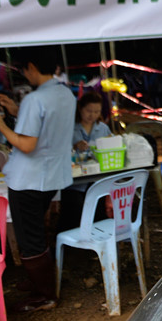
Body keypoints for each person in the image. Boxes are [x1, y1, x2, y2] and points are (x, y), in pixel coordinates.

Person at [0, 46, 76, 312]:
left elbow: (26, 144)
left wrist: (0, 123)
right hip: (51, 177)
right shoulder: (65, 94)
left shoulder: (35, 99)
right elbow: (45, 125)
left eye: (24, 69)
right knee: (36, 230)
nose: (25, 74)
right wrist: (16, 110)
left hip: (28, 179)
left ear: (32, 67)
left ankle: (45, 294)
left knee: (30, 237)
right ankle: (40, 283)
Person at [58, 92, 113, 232]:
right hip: (73, 182)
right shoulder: (70, 128)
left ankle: (98, 237)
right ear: (80, 109)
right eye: (89, 111)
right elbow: (58, 150)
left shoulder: (103, 128)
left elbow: (111, 147)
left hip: (96, 179)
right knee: (73, 210)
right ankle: (72, 241)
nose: (92, 115)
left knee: (99, 207)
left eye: (96, 111)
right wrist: (74, 147)